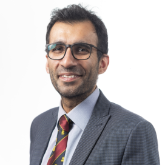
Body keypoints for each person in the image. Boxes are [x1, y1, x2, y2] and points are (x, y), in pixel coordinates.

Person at [30, 4, 160, 165]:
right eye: (57, 48)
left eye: (82, 49)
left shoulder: (133, 131)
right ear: (47, 62)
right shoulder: (40, 125)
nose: (67, 61)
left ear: (102, 64)